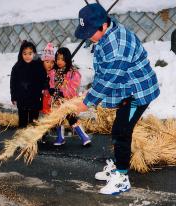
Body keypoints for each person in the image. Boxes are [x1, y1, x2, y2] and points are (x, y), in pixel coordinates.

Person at [74, 3, 160, 195]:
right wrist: (89, 94)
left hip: (138, 91)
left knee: (121, 131)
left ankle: (122, 178)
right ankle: (118, 167)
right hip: (126, 89)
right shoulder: (104, 38)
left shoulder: (117, 44)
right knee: (119, 130)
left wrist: (87, 101)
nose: (88, 36)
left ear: (103, 25)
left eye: (89, 31)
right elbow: (103, 72)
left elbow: (110, 78)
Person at [46, 46, 91, 146]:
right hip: (56, 100)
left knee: (71, 118)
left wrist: (64, 92)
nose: (59, 61)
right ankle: (60, 137)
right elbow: (51, 83)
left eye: (62, 59)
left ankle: (83, 136)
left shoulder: (72, 73)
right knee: (58, 118)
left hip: (68, 100)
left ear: (67, 59)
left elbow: (73, 86)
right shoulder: (54, 72)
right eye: (57, 59)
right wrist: (52, 90)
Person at [10, 40, 47, 128]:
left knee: (33, 121)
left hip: (35, 98)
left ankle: (32, 138)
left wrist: (45, 87)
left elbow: (43, 79)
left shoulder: (38, 65)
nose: (27, 56)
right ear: (21, 54)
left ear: (34, 54)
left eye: (30, 53)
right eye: (25, 53)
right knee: (22, 121)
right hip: (22, 99)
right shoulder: (17, 67)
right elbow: (13, 83)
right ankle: (22, 137)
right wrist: (13, 96)